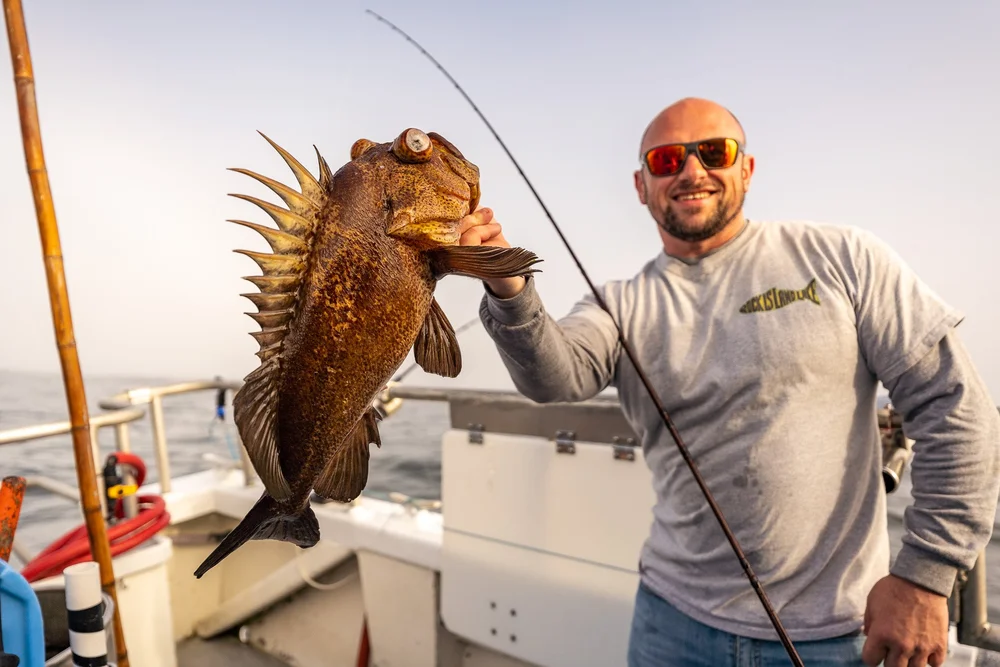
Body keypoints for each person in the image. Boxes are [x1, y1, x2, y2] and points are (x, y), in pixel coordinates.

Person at [456, 97, 1000, 667]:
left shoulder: (844, 257)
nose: (692, 171)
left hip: (838, 634)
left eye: (714, 152)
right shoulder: (617, 303)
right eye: (666, 160)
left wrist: (924, 578)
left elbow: (953, 404)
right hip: (670, 623)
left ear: (746, 168)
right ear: (642, 186)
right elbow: (554, 374)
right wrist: (508, 286)